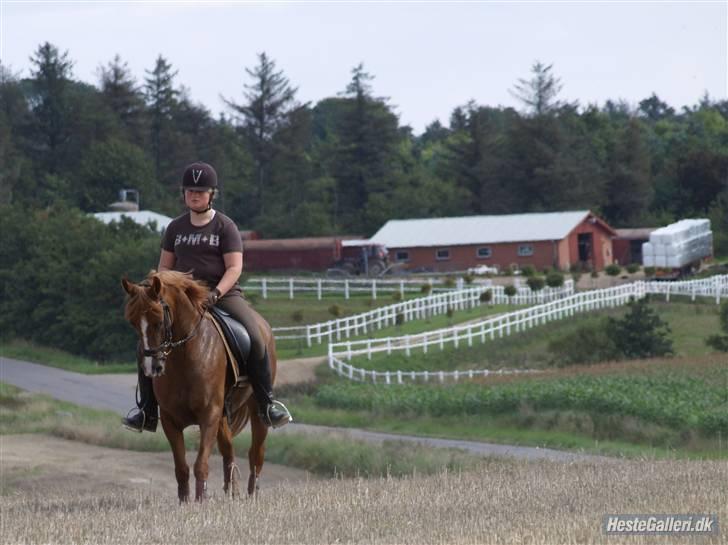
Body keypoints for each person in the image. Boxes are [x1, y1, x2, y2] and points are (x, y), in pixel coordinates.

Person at [122, 161, 292, 432]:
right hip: (181, 300)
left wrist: (216, 293)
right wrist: (156, 290)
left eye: (200, 191)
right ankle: (147, 410)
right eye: (190, 191)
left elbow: (234, 267)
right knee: (146, 345)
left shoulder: (225, 226)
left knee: (256, 336)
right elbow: (164, 268)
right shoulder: (175, 228)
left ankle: (266, 403)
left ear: (212, 194)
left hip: (222, 295)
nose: (194, 195)